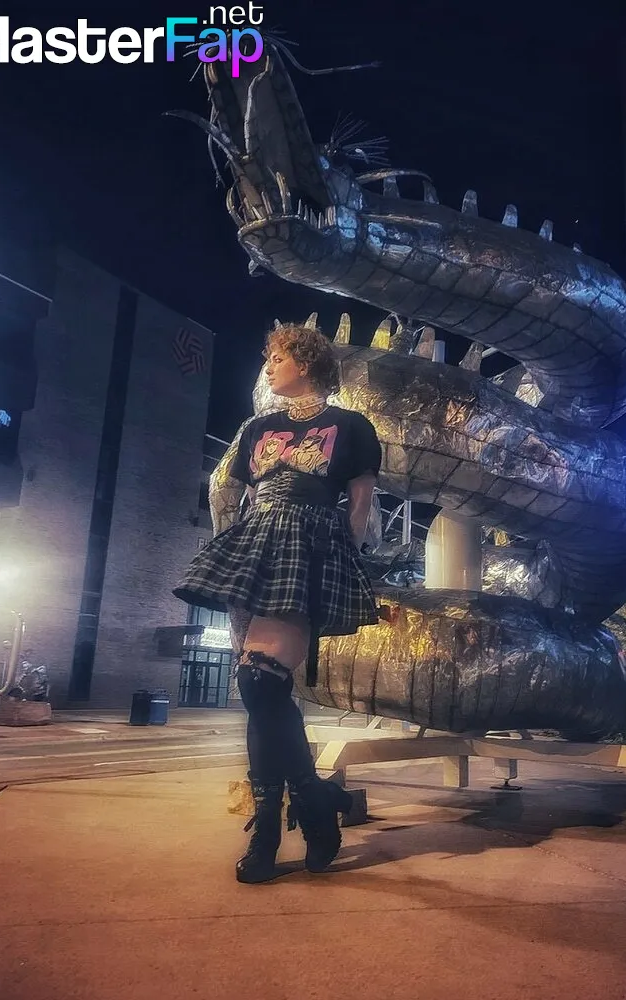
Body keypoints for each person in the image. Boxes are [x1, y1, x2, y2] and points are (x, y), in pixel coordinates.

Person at [174, 322, 382, 883]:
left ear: (306, 363)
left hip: (310, 549)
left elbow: (360, 505)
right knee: (256, 687)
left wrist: (343, 560)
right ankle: (311, 802)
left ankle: (274, 828)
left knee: (261, 682)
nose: (269, 366)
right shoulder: (258, 428)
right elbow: (244, 495)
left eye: (278, 357)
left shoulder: (351, 426)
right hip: (258, 546)